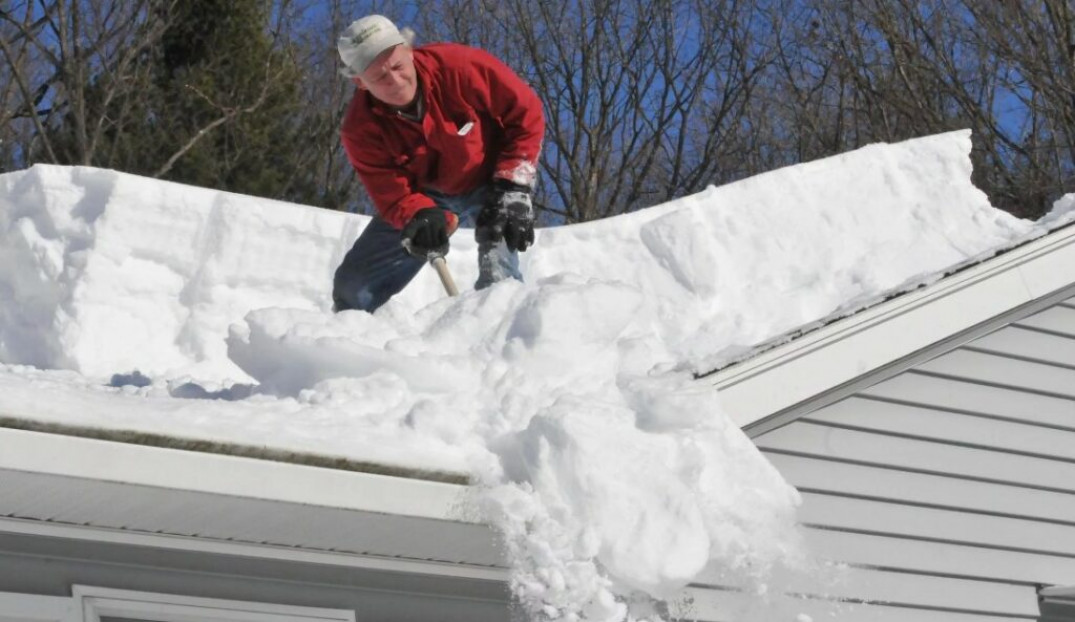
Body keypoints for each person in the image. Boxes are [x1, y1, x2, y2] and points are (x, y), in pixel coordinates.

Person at [332, 15, 545, 313]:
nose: (394, 80)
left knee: (500, 275)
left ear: (409, 50)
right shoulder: (360, 129)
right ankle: (347, 344)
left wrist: (514, 185)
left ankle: (500, 332)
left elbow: (526, 113)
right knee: (351, 287)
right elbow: (391, 194)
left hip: (493, 178)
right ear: (360, 83)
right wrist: (417, 214)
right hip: (426, 197)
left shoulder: (461, 67)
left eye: (397, 66)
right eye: (379, 77)